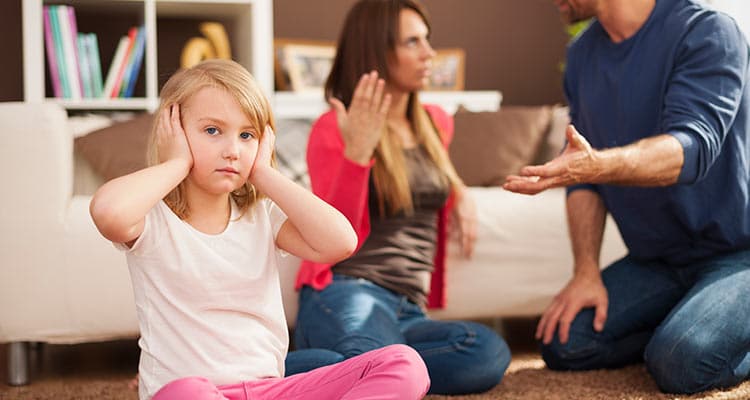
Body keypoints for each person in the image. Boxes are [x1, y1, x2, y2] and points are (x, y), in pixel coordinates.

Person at [89, 59, 431, 400]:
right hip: (191, 393)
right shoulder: (153, 219)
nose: (232, 150)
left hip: (269, 389)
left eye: (247, 135)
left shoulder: (262, 216)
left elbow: (341, 242)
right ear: (173, 130)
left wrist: (265, 174)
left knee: (404, 363)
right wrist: (176, 162)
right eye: (212, 131)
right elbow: (108, 212)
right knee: (187, 392)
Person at [504, 0, 750, 394]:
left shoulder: (708, 32)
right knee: (565, 344)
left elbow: (690, 151)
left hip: (737, 254)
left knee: (682, 362)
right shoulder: (582, 54)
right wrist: (585, 271)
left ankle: (691, 332)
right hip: (657, 261)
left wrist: (597, 165)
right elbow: (581, 173)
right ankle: (689, 324)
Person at [288, 0, 511, 395]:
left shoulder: (435, 123)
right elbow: (331, 233)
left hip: (409, 308)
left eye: (427, 40)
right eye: (413, 42)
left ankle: (349, 367)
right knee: (375, 360)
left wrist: (459, 191)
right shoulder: (333, 128)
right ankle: (265, 369)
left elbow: (430, 179)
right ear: (377, 51)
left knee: (486, 353)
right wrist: (357, 153)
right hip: (347, 289)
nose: (429, 53)